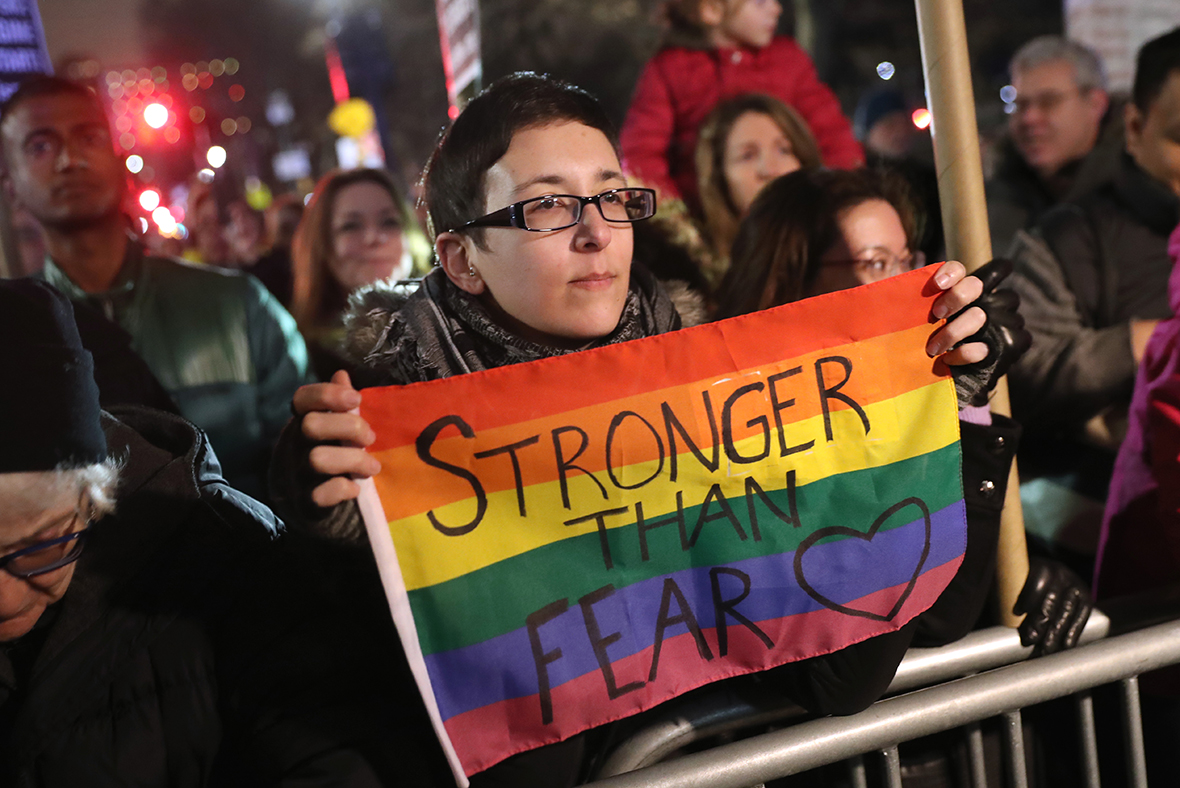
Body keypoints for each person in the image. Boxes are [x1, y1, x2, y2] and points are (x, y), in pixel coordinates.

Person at [270, 71, 1027, 786]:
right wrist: (318, 509)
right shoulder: (377, 438)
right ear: (463, 259)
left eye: (611, 198)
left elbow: (837, 672)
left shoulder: (715, 403)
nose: (595, 234)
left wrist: (946, 402)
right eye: (545, 207)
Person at [0, 278, 452, 787]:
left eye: (42, 546)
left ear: (98, 498)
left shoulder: (226, 557)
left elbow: (331, 751)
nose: (4, 598)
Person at [0, 75, 310, 501]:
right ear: (10, 185)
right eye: (40, 146)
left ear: (118, 157)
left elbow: (305, 463)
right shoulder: (13, 337)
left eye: (88, 137)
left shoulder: (237, 302)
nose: (69, 160)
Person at [1006, 27, 1180, 570]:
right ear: (1134, 127)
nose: (1032, 118)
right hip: (1108, 541)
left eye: (1049, 100)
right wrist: (1146, 343)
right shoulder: (1062, 237)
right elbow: (1023, 374)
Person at [620, 0, 861, 211]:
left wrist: (837, 195)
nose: (776, 8)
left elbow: (831, 132)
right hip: (705, 217)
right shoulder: (671, 69)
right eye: (759, 1)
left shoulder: (788, 61)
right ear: (712, 10)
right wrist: (673, 214)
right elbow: (642, 150)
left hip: (787, 207)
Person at [289, 168, 429, 380]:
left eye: (389, 221)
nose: (374, 237)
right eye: (351, 226)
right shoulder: (296, 358)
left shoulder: (461, 326)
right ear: (322, 246)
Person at [986, 36, 1117, 256]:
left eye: (1049, 101)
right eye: (1020, 104)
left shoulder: (1139, 194)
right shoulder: (998, 194)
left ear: (1096, 104)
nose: (1030, 118)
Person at [694, 92, 822, 282]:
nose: (769, 170)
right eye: (748, 155)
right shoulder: (702, 277)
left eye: (784, 150)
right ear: (719, 177)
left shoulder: (839, 255)